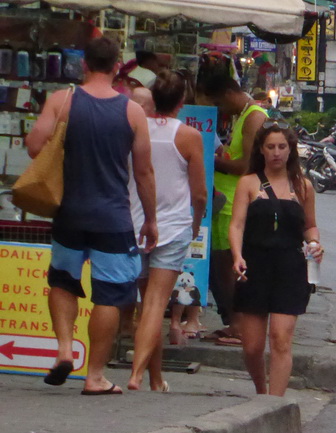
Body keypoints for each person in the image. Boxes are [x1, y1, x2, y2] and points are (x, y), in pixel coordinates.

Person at [26, 36, 156, 395]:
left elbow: (35, 147)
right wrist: (151, 219)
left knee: (63, 280)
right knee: (110, 295)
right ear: (118, 68)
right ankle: (95, 375)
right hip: (113, 217)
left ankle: (64, 351)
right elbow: (144, 173)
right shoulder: (132, 112)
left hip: (69, 212)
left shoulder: (62, 101)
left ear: (83, 65)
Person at [126, 71, 208, 392]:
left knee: (146, 305)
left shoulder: (136, 128)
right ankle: (136, 375)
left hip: (137, 224)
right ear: (182, 102)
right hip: (173, 227)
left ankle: (156, 379)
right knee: (157, 306)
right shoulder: (188, 136)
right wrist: (197, 220)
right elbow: (200, 193)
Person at [228, 123, 322, 396]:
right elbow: (236, 225)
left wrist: (315, 244)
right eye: (271, 147)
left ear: (291, 150)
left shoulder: (302, 187)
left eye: (282, 147)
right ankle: (261, 389)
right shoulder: (248, 183)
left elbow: (310, 226)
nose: (277, 153)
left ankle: (275, 402)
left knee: (281, 339)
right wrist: (237, 256)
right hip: (254, 266)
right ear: (261, 149)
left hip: (290, 269)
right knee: (252, 346)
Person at [203, 72, 268, 345]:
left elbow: (245, 165)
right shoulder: (242, 115)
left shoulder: (254, 115)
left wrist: (209, 160)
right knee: (219, 265)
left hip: (234, 201)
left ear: (229, 94)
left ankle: (239, 324)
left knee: (229, 264)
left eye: (219, 103)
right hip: (224, 198)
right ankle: (233, 321)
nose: (219, 109)